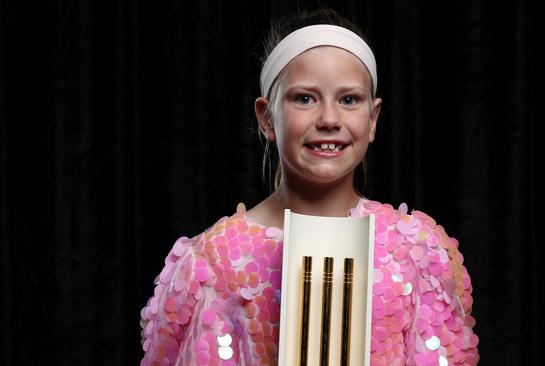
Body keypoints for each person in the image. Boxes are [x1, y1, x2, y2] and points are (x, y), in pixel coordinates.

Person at [140, 8, 479, 366]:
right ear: (267, 117)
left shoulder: (416, 251)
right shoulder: (212, 262)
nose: (329, 119)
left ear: (373, 118)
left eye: (349, 100)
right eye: (304, 98)